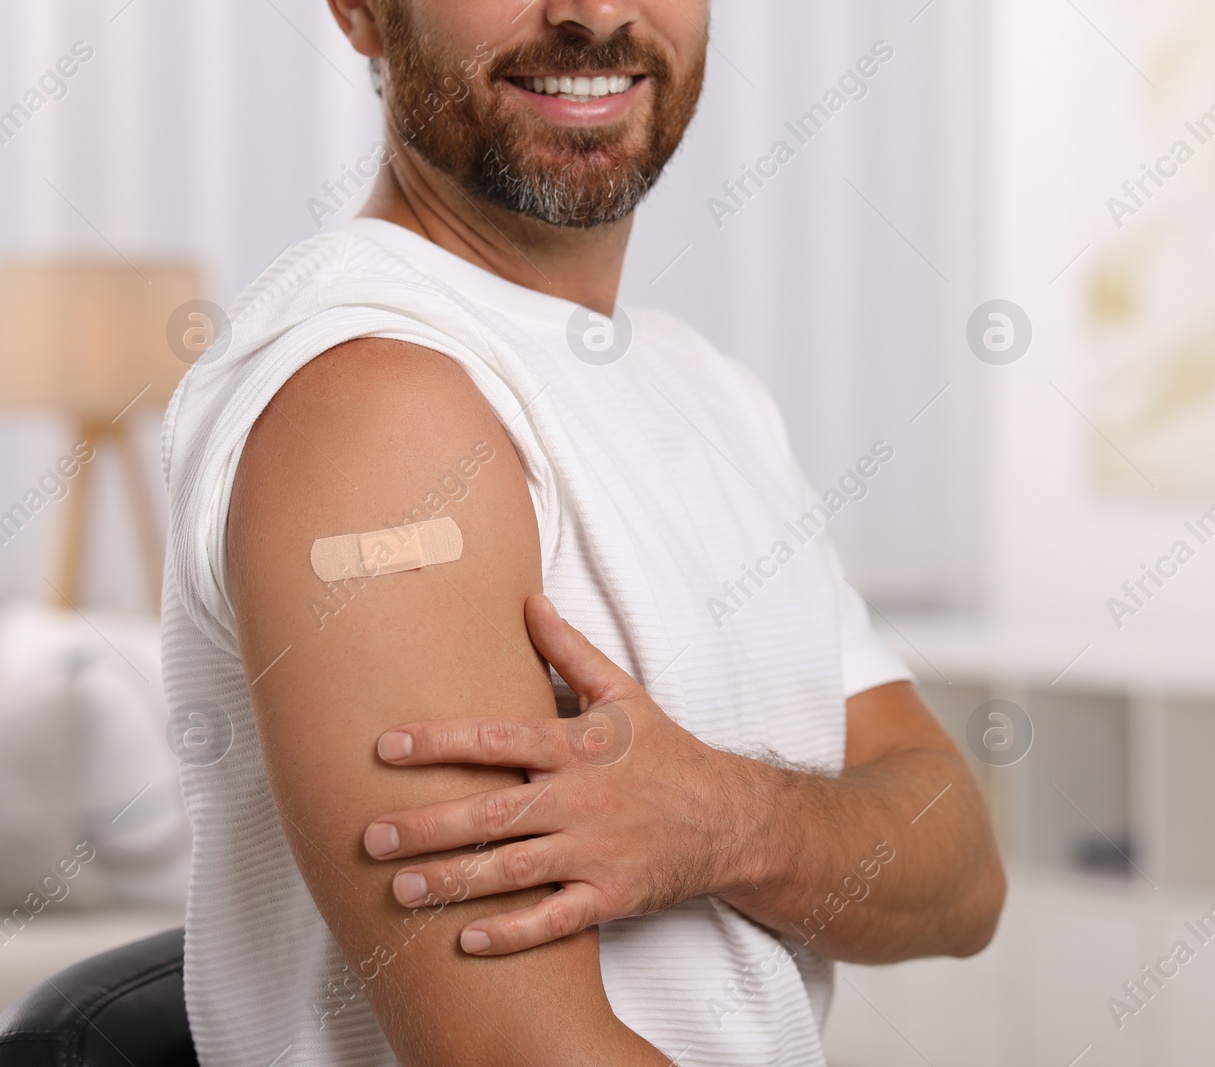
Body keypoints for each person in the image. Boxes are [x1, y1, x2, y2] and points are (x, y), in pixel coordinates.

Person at [160, 1, 1005, 1063]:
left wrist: (723, 817)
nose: (596, 14)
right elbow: (521, 1052)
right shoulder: (376, 405)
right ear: (363, 12)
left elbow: (962, 873)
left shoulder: (709, 390)